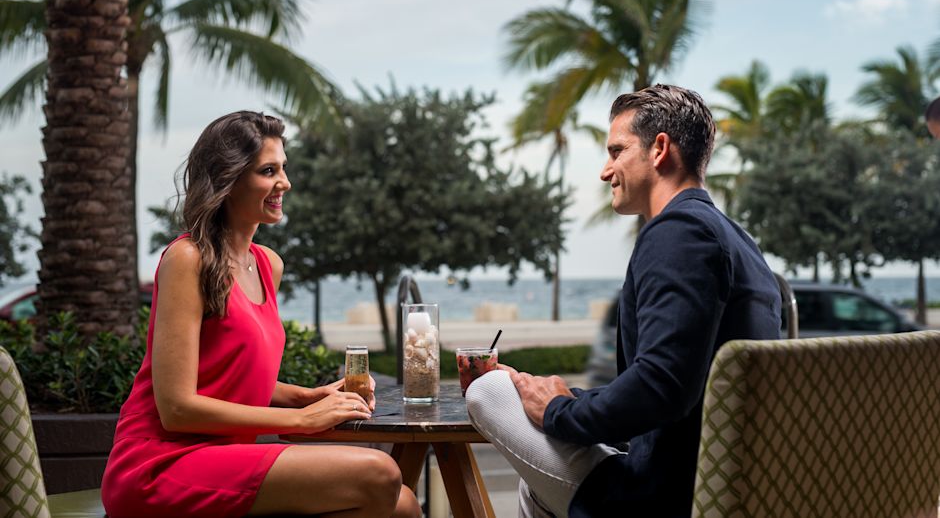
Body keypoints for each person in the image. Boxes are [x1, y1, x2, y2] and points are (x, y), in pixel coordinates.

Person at [466, 84, 781, 518]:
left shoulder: (678, 233)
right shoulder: (739, 241)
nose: (605, 170)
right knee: (534, 492)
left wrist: (557, 410)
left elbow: (661, 387)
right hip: (725, 484)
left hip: (662, 497)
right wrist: (568, 398)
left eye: (617, 151)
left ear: (659, 150)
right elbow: (681, 379)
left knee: (490, 390)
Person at [101, 111, 421, 518]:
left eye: (283, 168)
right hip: (160, 465)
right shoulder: (187, 259)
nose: (284, 183)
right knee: (379, 472)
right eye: (268, 171)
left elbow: (231, 375)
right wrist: (302, 419)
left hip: (227, 458)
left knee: (404, 505)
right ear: (228, 180)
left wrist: (307, 395)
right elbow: (177, 407)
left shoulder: (268, 264)